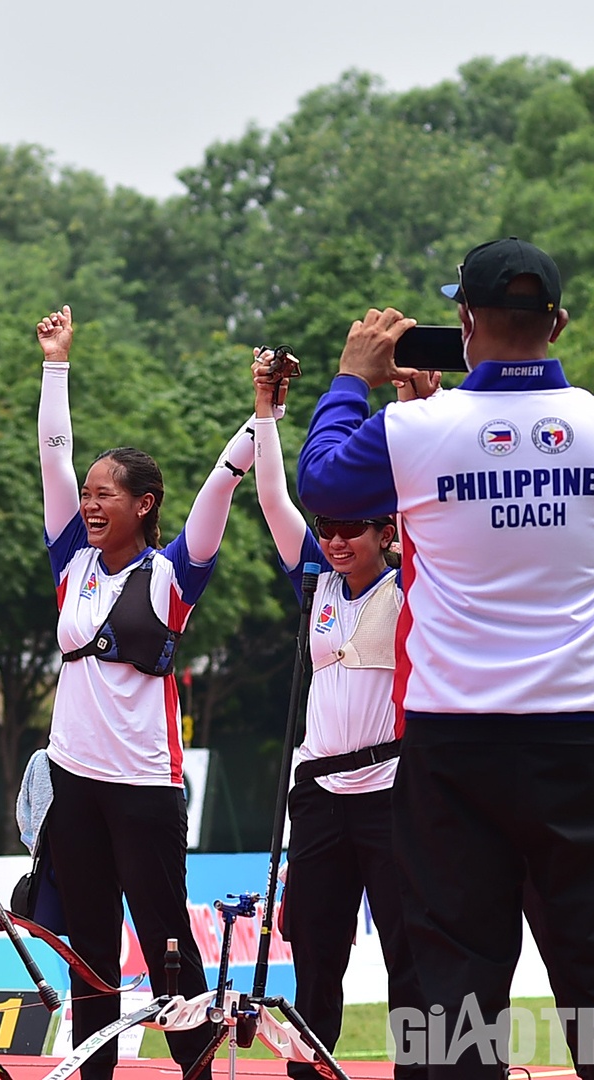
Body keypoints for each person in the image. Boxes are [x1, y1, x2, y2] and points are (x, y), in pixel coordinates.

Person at [294, 238, 594, 1080]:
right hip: (586, 737)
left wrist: (352, 378)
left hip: (457, 747)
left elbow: (325, 486)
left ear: (463, 324)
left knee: (453, 997)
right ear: (558, 322)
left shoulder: (416, 428)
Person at [36, 305, 268, 1080]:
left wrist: (258, 415)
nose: (91, 503)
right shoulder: (71, 561)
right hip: (74, 779)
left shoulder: (172, 574)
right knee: (88, 944)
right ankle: (92, 1070)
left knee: (167, 937)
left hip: (144, 784)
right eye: (89, 494)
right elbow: (53, 458)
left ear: (143, 505)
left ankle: (193, 1069)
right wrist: (55, 365)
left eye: (109, 495)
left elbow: (219, 487)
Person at [246, 355, 424, 1080]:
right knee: (314, 949)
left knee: (410, 950)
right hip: (318, 797)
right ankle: (309, 1072)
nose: (335, 538)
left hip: (390, 792)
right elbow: (272, 499)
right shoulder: (314, 581)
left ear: (386, 531)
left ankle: (423, 1071)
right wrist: (266, 413)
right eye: (329, 528)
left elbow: (422, 500)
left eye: (353, 527)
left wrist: (412, 402)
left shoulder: (415, 576)